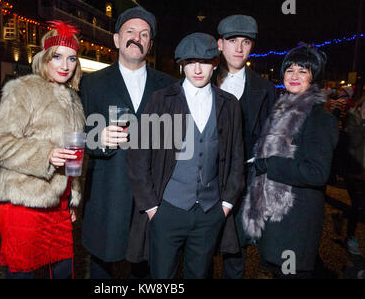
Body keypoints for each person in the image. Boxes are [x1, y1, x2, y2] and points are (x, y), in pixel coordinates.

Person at [127, 33, 244, 279]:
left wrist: (225, 206)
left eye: (204, 61)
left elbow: (236, 159)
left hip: (210, 213)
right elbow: (139, 157)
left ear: (215, 63)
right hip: (167, 210)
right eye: (191, 62)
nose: (197, 69)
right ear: (182, 64)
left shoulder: (229, 104)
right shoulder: (162, 100)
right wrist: (151, 208)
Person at [0, 21, 85, 279]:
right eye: (57, 57)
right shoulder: (23, 90)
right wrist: (45, 155)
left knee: (63, 270)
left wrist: (73, 195)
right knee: (24, 272)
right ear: (44, 59)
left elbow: (74, 155)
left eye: (71, 58)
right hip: (24, 202)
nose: (65, 65)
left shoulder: (73, 98)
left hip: (59, 206)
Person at [80, 7, 176, 279]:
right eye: (130, 32)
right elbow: (78, 134)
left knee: (146, 264)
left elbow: (178, 140)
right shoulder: (93, 84)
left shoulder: (169, 87)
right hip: (108, 190)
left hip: (152, 194)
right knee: (101, 262)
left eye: (144, 34)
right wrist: (97, 139)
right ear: (116, 39)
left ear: (150, 44)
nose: (137, 38)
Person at [242, 44, 339, 279]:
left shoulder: (319, 118)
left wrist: (269, 164)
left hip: (296, 225)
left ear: (314, 77)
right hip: (276, 223)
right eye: (290, 70)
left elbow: (316, 172)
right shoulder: (279, 113)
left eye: (303, 71)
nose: (294, 76)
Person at [212, 14, 277, 279]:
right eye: (232, 40)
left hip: (244, 184)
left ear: (252, 46)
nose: (239, 48)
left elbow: (271, 139)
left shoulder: (265, 88)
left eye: (246, 42)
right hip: (204, 181)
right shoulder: (201, 77)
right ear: (220, 44)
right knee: (199, 252)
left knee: (235, 253)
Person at [343, 95, 365, 255]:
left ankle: (342, 216)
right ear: (361, 106)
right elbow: (354, 142)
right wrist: (363, 123)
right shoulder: (352, 119)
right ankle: (350, 237)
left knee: (358, 205)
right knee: (357, 204)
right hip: (354, 170)